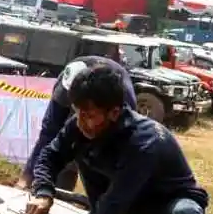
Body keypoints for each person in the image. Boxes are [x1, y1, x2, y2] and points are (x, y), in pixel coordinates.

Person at [6, 65, 213, 214]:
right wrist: (44, 192)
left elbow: (107, 212)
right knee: (87, 152)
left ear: (114, 112)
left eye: (89, 115)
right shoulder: (80, 126)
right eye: (78, 112)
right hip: (131, 206)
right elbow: (49, 155)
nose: (81, 121)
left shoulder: (144, 142)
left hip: (166, 213)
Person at [16, 56, 137, 192]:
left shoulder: (120, 98)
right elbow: (49, 133)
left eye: (87, 113)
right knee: (63, 148)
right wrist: (28, 176)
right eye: (77, 109)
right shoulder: (67, 82)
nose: (80, 120)